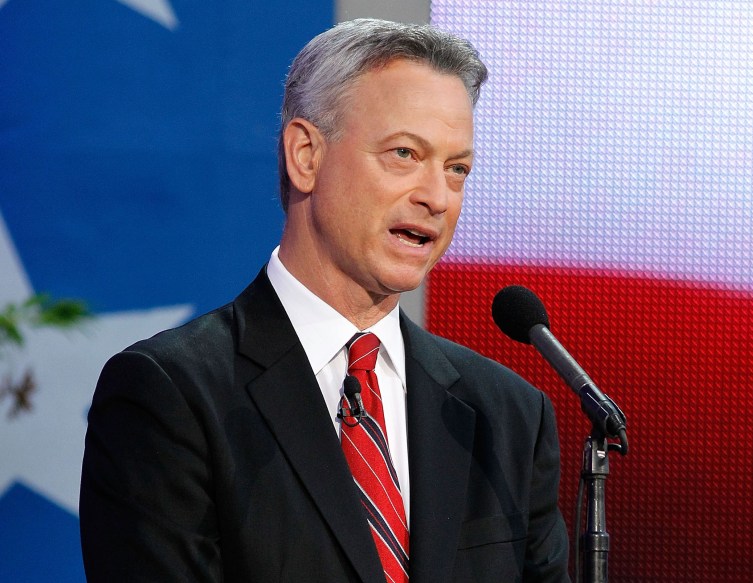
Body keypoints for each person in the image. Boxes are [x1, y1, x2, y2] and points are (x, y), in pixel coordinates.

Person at [79, 18, 570, 582]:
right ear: (306, 155)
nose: (437, 197)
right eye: (405, 153)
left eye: (457, 169)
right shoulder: (171, 397)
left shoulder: (506, 416)